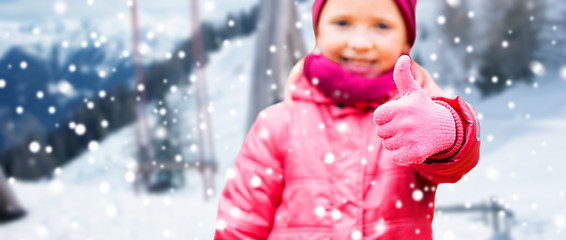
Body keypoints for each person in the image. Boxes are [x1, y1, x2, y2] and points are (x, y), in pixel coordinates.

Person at [214, 0, 480, 239]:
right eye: (342, 23)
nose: (360, 43)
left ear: (405, 42)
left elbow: (459, 160)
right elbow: (241, 223)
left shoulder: (411, 120)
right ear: (319, 32)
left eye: (381, 25)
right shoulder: (277, 124)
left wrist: (447, 129)